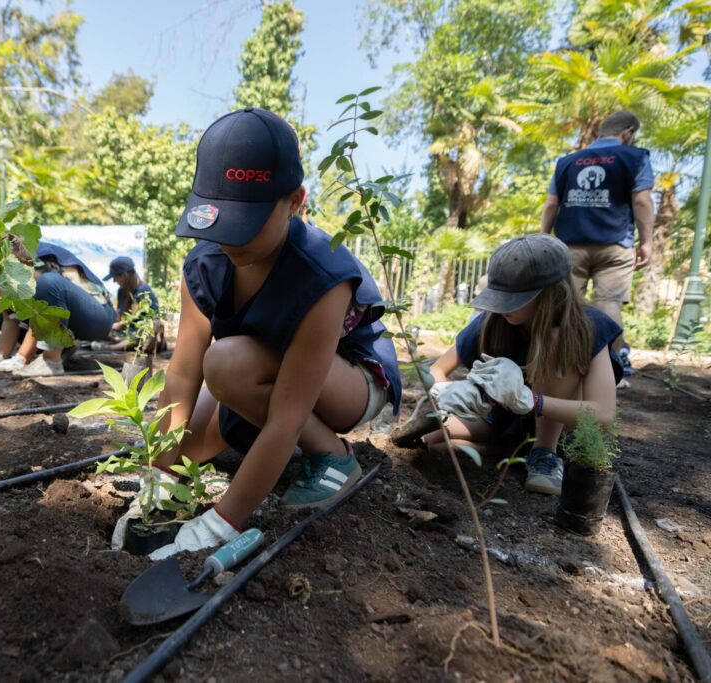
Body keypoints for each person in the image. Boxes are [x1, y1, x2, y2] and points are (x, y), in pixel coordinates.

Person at [123, 107, 401, 559]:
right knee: (188, 451)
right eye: (218, 220)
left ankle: (333, 456)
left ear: (295, 201)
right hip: (260, 365)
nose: (230, 240)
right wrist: (156, 476)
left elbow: (287, 416)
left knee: (228, 364)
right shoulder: (205, 265)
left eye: (246, 222)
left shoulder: (321, 274)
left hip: (349, 380)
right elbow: (181, 378)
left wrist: (218, 524)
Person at [419, 234, 622, 496]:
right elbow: (436, 369)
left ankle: (544, 453)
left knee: (555, 337)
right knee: (432, 439)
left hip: (561, 427)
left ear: (551, 292)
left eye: (513, 298)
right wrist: (445, 391)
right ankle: (508, 452)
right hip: (504, 419)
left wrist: (532, 401)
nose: (503, 308)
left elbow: (603, 414)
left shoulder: (587, 326)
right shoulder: (494, 322)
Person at [540, 110, 654, 377]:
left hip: (570, 246)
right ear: (628, 132)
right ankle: (611, 372)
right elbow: (641, 201)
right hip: (614, 244)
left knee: (567, 305)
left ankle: (563, 368)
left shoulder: (568, 161)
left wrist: (545, 239)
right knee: (609, 303)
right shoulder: (636, 157)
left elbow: (550, 205)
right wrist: (647, 242)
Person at [0, 241, 116, 377]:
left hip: (96, 318)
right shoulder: (4, 267)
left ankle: (51, 361)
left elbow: (40, 309)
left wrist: (21, 358)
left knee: (48, 284)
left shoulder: (26, 255)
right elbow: (10, 317)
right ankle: (64, 346)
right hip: (69, 316)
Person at [104, 255, 165, 352]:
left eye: (115, 277)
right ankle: (117, 344)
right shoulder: (121, 292)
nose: (114, 281)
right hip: (127, 334)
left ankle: (113, 347)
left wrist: (122, 325)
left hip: (140, 334)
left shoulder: (143, 292)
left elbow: (149, 321)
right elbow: (120, 316)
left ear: (124, 275)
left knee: (151, 327)